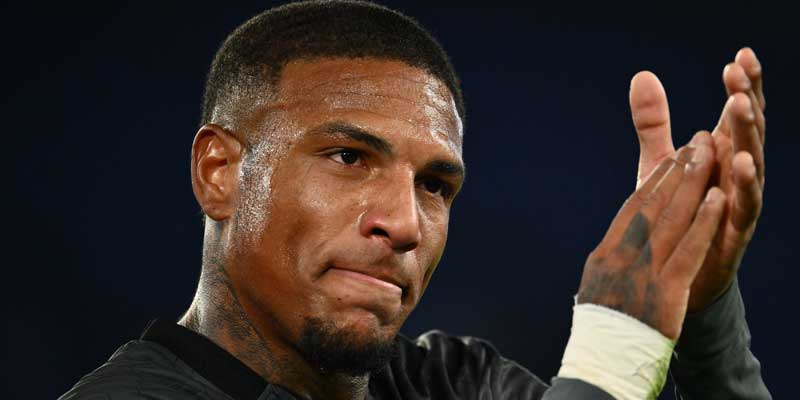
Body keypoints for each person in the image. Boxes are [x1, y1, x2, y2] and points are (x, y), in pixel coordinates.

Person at [60, 1, 771, 399]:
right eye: (348, 157)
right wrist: (613, 352)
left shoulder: (455, 384)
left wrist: (702, 304)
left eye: (434, 185)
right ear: (219, 173)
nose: (404, 223)